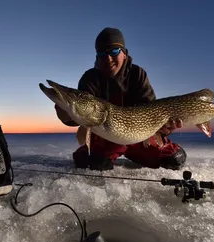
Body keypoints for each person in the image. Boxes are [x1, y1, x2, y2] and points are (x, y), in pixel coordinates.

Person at [55, 27, 187, 171]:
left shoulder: (137, 74)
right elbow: (84, 114)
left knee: (174, 158)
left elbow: (152, 113)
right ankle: (89, 152)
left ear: (124, 54)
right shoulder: (90, 79)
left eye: (114, 51)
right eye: (101, 53)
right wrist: (65, 114)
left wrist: (165, 129)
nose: (108, 58)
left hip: (139, 137)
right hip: (106, 137)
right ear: (97, 57)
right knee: (93, 163)